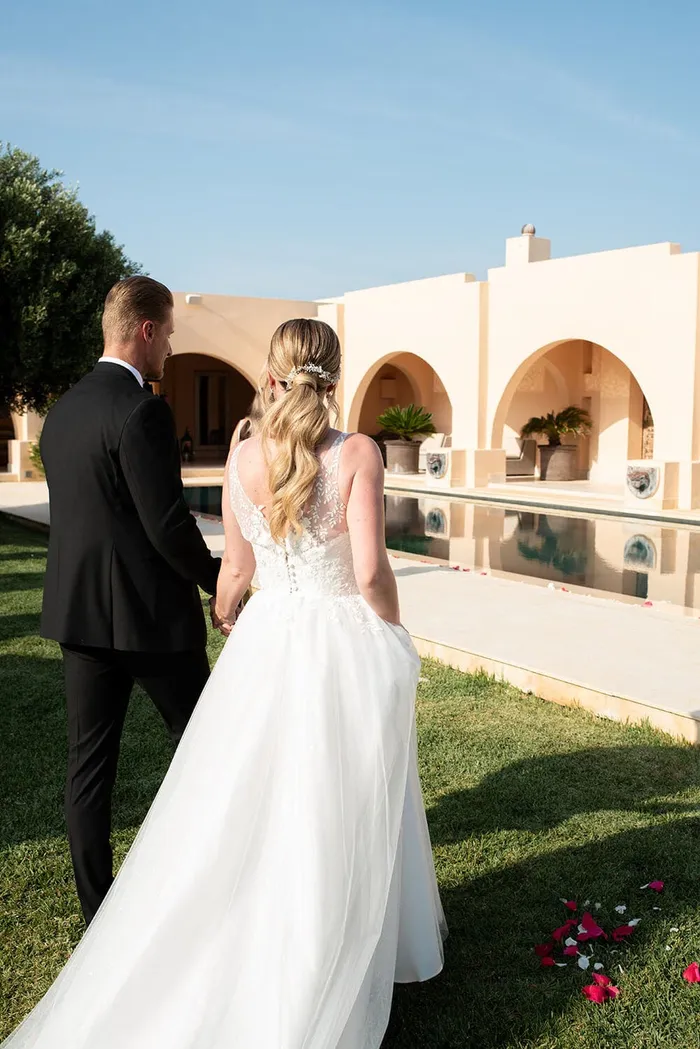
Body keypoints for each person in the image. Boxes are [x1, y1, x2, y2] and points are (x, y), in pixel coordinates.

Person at [4, 318, 445, 1049]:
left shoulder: (243, 456)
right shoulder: (358, 451)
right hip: (337, 639)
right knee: (336, 797)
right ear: (334, 375)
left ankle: (244, 926)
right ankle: (326, 950)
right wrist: (394, 629)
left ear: (271, 375)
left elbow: (235, 571)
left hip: (268, 640)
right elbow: (369, 572)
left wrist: (227, 607)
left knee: (251, 794)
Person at [39, 276, 221, 927]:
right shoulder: (142, 408)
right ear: (145, 330)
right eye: (169, 333)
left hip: (78, 616)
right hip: (150, 622)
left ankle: (98, 913)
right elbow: (166, 522)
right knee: (211, 742)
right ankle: (212, 877)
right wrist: (218, 580)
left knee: (88, 770)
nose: (170, 347)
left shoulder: (63, 411)